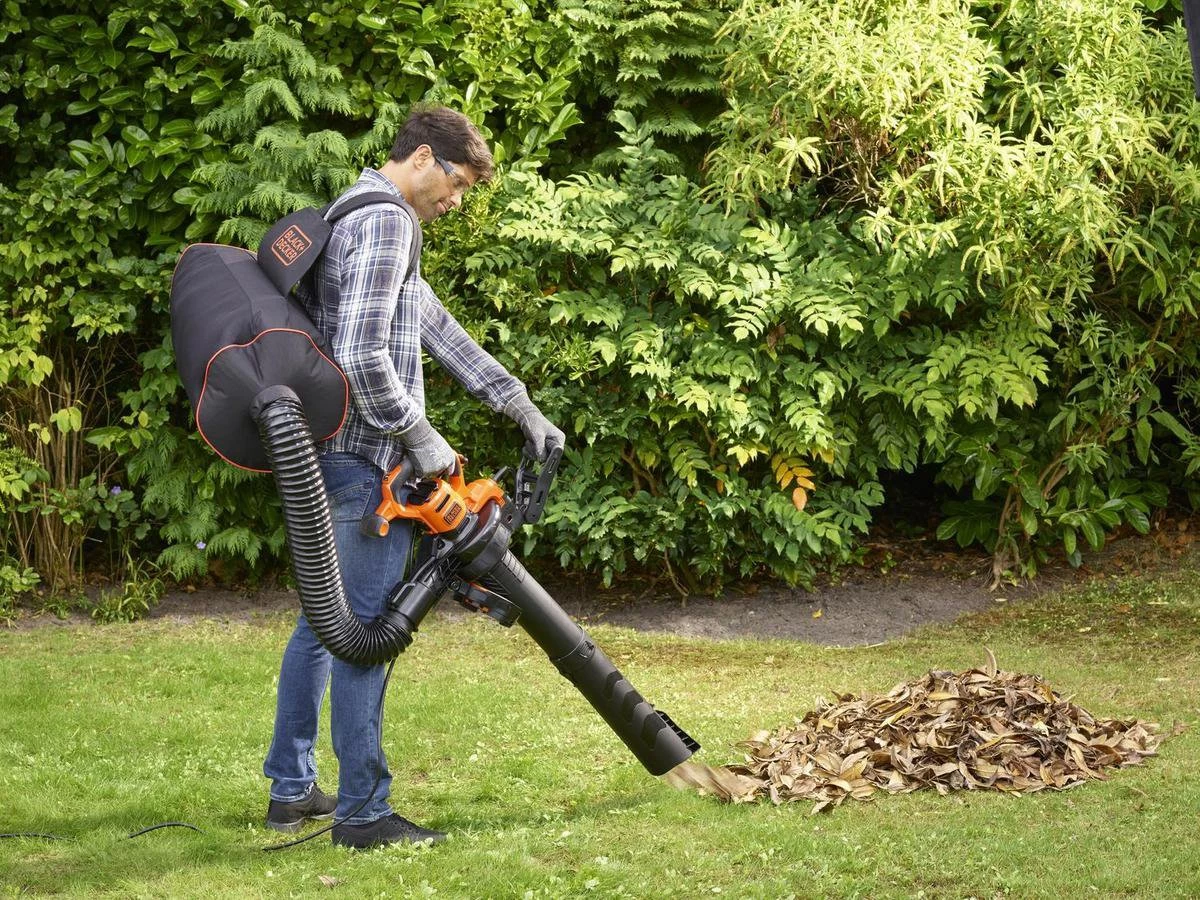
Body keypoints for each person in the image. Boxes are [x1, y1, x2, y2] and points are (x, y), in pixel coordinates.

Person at [261, 105, 565, 849]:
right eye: (456, 184)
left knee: (325, 622)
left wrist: (518, 403)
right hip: (368, 464)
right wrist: (422, 439)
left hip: (337, 456)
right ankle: (364, 813)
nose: (456, 200)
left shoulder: (356, 212)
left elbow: (434, 326)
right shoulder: (388, 222)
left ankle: (292, 789)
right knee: (366, 633)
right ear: (423, 157)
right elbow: (363, 356)